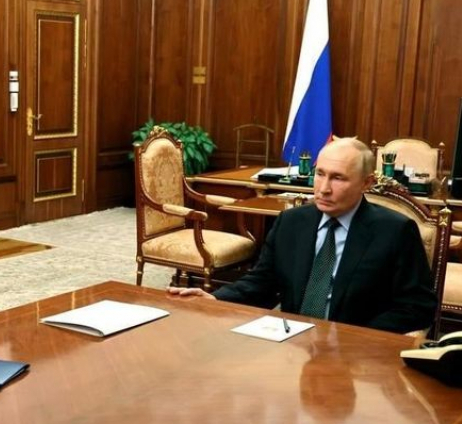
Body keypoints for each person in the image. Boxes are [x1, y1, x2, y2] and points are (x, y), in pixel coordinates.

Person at [168, 138, 436, 333]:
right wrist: (216, 298)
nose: (324, 188)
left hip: (357, 356)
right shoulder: (291, 222)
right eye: (320, 174)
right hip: (293, 344)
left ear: (367, 183)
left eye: (338, 178)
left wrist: (355, 337)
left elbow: (418, 307)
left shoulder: (395, 231)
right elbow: (262, 283)